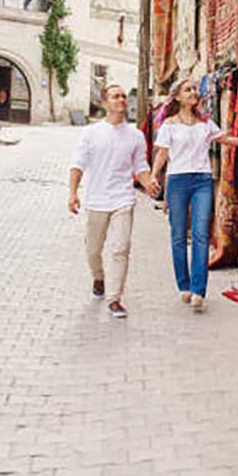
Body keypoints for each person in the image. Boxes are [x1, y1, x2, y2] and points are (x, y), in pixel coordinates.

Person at [151, 79, 238, 313]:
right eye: (188, 89)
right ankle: (184, 285)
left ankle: (199, 289)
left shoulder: (205, 123)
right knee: (179, 235)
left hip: (202, 180)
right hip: (178, 182)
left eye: (194, 89)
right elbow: (162, 156)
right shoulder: (169, 125)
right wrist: (154, 179)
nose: (193, 92)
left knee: (201, 233)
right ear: (178, 97)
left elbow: (225, 139)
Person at [69, 84, 160, 318]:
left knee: (121, 248)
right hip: (96, 199)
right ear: (105, 103)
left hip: (123, 198)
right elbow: (77, 164)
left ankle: (114, 299)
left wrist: (148, 181)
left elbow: (140, 166)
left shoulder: (136, 135)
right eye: (115, 96)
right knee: (93, 250)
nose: (121, 99)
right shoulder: (91, 133)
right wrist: (73, 193)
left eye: (122, 96)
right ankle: (98, 278)